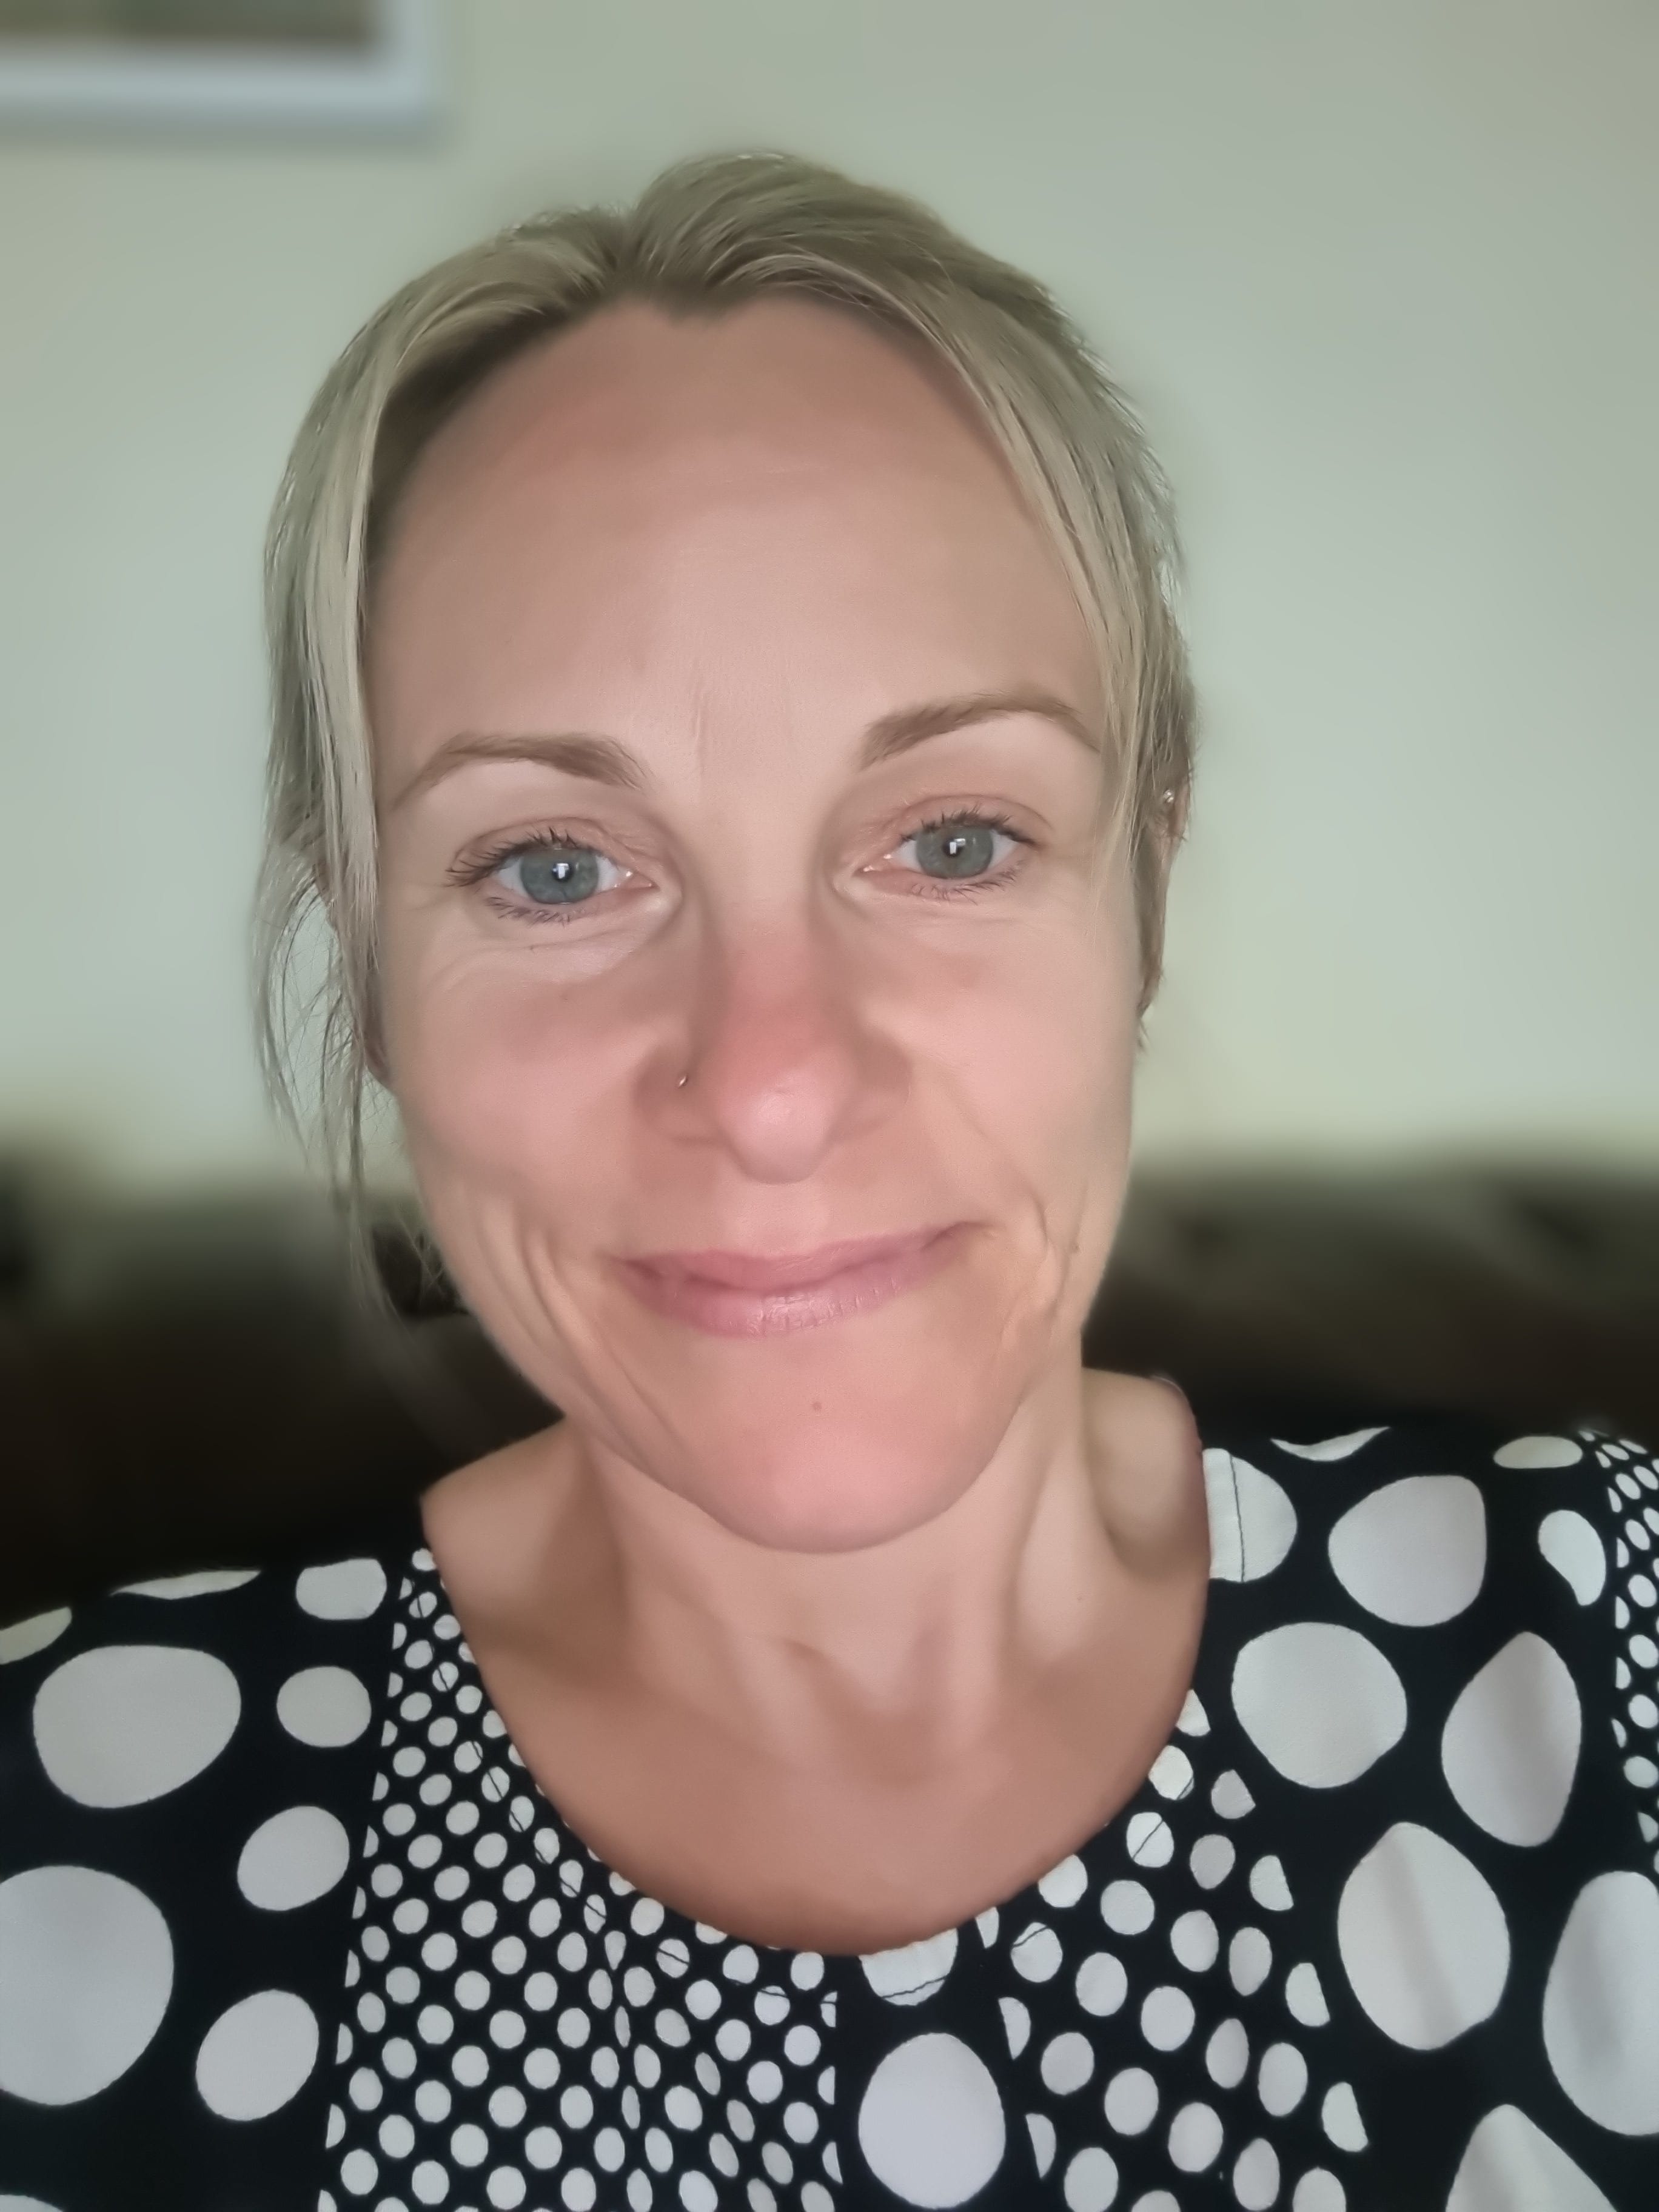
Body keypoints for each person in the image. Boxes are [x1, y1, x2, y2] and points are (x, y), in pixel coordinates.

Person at [0, 152, 1653, 2212]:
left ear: (1142, 891)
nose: (775, 1086)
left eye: (952, 841)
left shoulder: (1610, 1647)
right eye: (555, 868)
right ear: (374, 974)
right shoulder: (61, 1840)